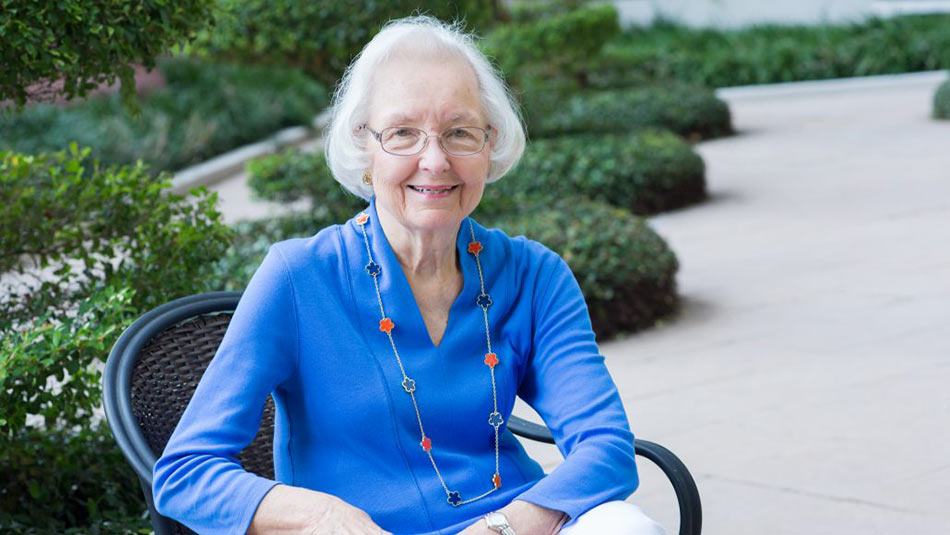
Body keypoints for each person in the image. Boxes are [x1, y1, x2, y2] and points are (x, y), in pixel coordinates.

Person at [152, 16, 666, 535]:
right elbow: (186, 472)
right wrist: (323, 515)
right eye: (403, 134)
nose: (435, 161)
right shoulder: (298, 277)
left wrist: (505, 528)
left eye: (460, 132)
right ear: (364, 149)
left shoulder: (535, 276)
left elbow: (607, 448)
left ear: (490, 146)